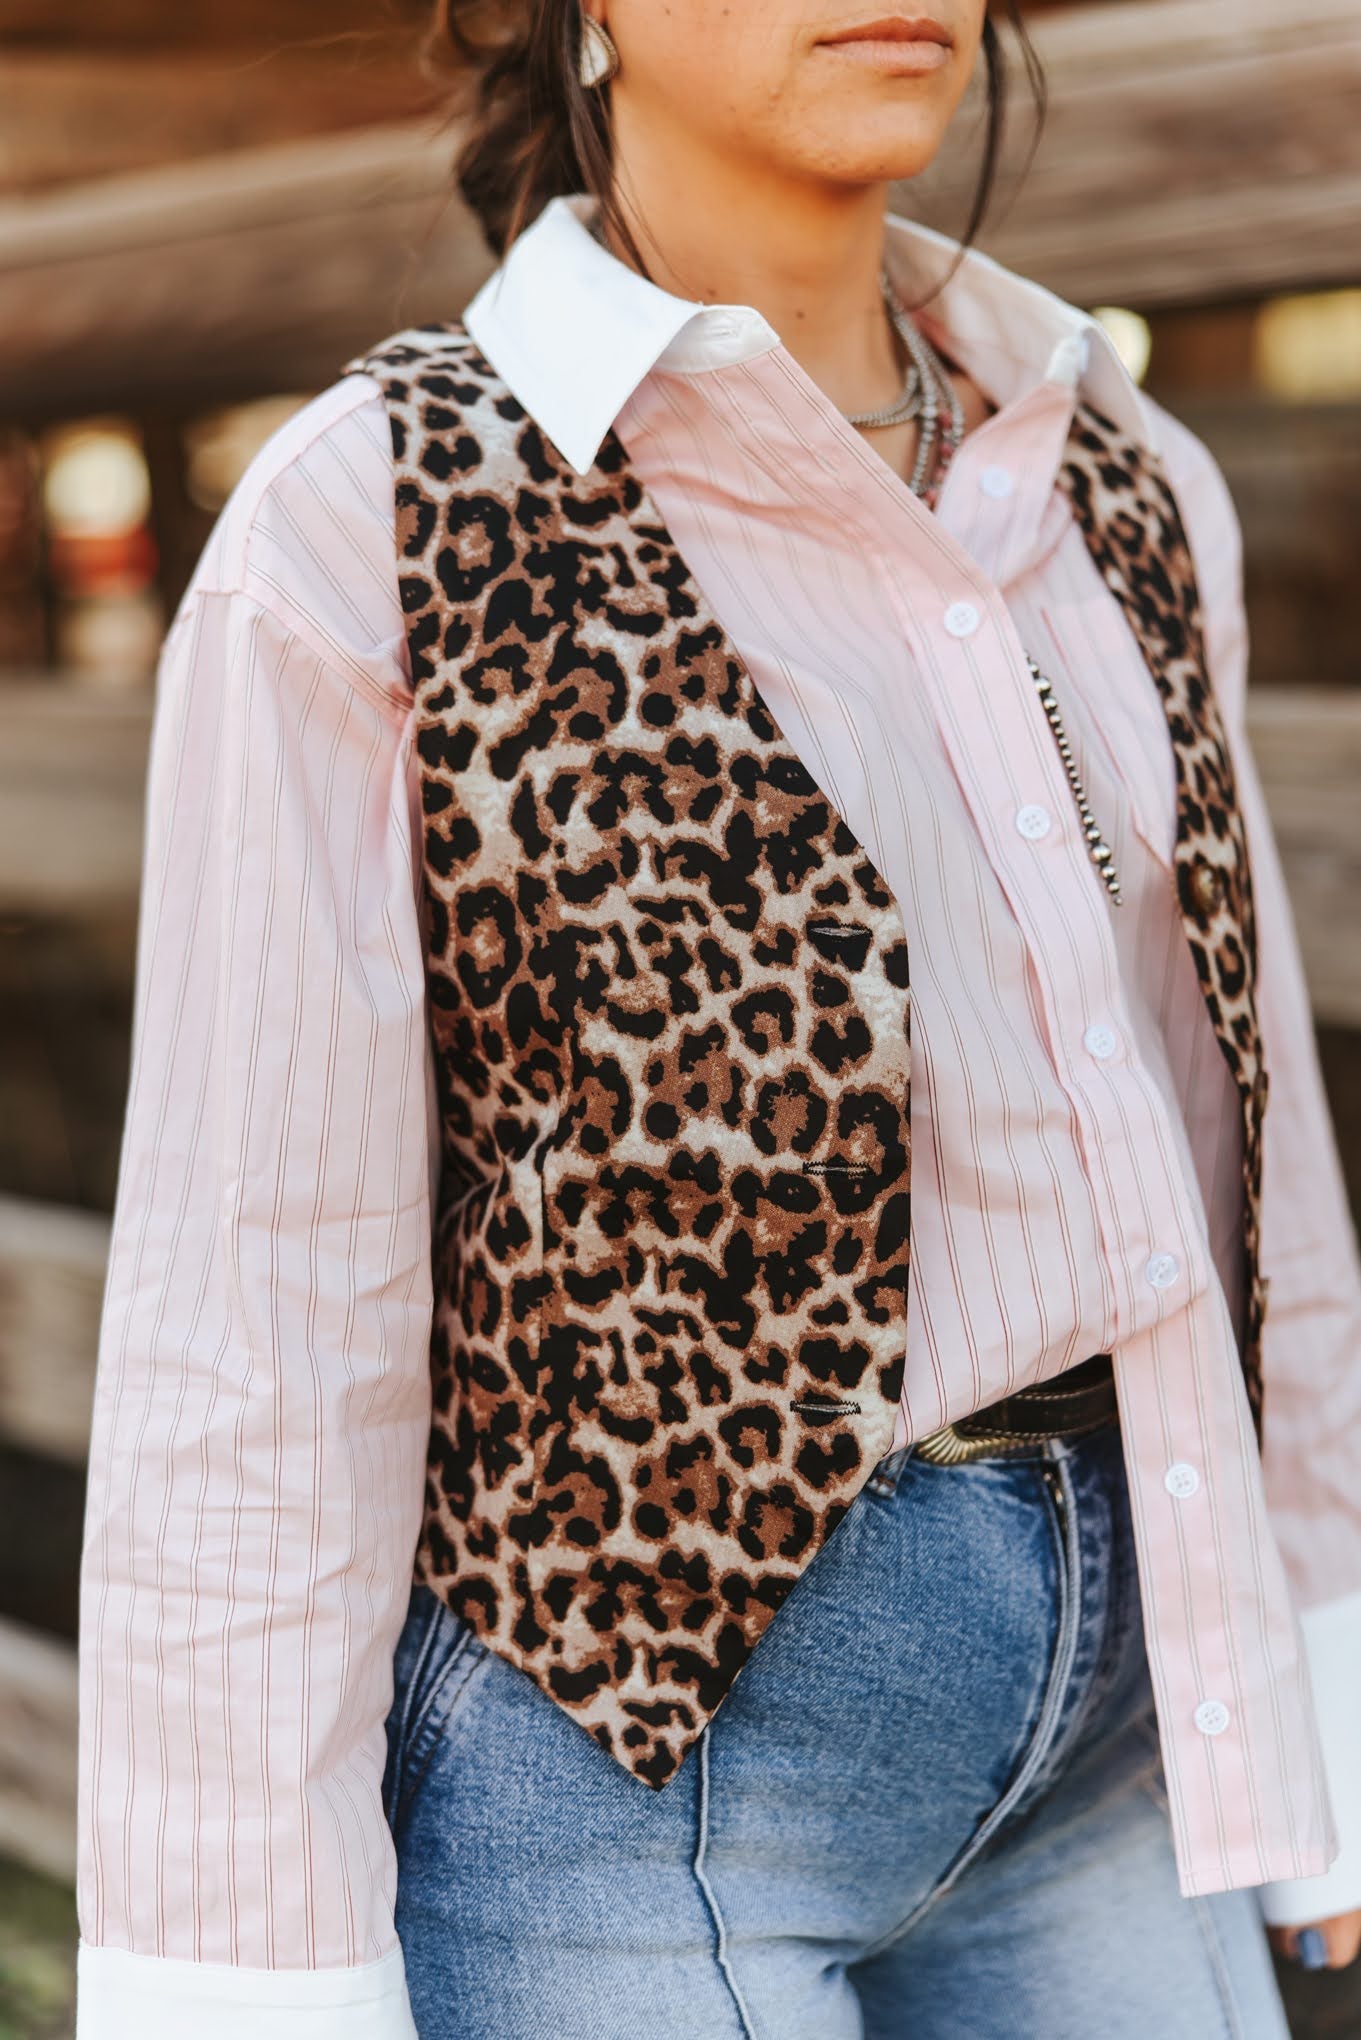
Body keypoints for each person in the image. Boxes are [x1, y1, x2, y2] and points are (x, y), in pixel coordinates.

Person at [74, 3, 1361, 2035]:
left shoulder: (1118, 462)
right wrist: (243, 1972)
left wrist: (1317, 1662)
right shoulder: (370, 526)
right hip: (635, 1762)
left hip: (1121, 1701)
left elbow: (1234, 1125)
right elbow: (258, 1311)